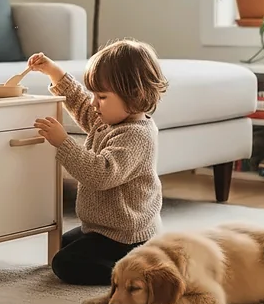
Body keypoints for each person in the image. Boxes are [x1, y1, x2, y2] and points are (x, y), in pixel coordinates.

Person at [28, 38, 168, 286]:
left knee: (64, 263)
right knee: (64, 244)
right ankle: (130, 262)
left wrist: (64, 143)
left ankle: (134, 272)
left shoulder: (136, 135)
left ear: (135, 95)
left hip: (126, 235)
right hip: (103, 228)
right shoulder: (111, 120)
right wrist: (54, 72)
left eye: (101, 96)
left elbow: (100, 174)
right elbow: (80, 103)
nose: (93, 102)